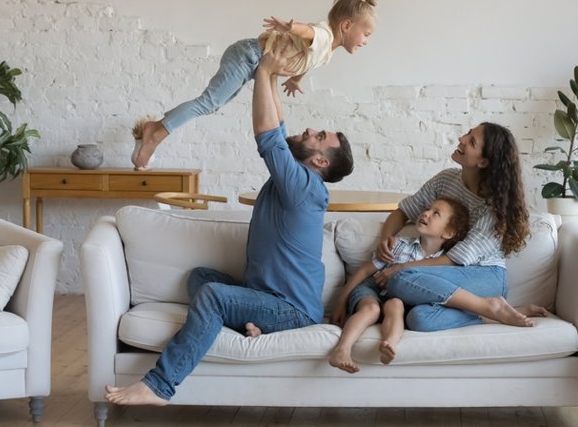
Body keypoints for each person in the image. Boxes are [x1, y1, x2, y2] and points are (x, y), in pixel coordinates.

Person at [104, 37, 354, 406]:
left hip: (293, 310)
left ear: (320, 162)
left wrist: (266, 70)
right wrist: (265, 76)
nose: (310, 130)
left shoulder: (304, 186)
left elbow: (268, 137)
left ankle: (159, 385)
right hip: (265, 297)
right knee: (200, 277)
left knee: (213, 295)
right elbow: (279, 126)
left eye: (319, 137)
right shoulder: (297, 176)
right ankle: (253, 325)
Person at [131, 0, 378, 170]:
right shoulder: (323, 35)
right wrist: (291, 27)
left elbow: (307, 58)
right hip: (249, 55)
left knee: (212, 103)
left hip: (251, 60)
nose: (366, 41)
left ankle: (158, 127)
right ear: (346, 26)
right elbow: (308, 32)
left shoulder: (326, 51)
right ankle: (155, 132)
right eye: (365, 34)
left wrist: (296, 80)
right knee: (209, 102)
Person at [373, 122, 547, 333]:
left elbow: (454, 260)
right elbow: (403, 212)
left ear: (483, 161)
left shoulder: (494, 207)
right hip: (446, 274)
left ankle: (491, 304)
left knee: (399, 280)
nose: (461, 139)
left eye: (471, 141)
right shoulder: (445, 180)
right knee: (418, 319)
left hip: (485, 276)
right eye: (467, 134)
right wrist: (385, 237)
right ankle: (491, 312)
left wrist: (401, 267)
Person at [329, 197, 470, 374]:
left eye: (436, 213)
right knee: (372, 309)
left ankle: (389, 345)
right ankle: (342, 349)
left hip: (397, 302)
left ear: (448, 232)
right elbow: (365, 271)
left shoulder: (441, 264)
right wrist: (341, 302)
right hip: (372, 289)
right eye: (427, 208)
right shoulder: (398, 246)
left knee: (395, 305)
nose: (425, 213)